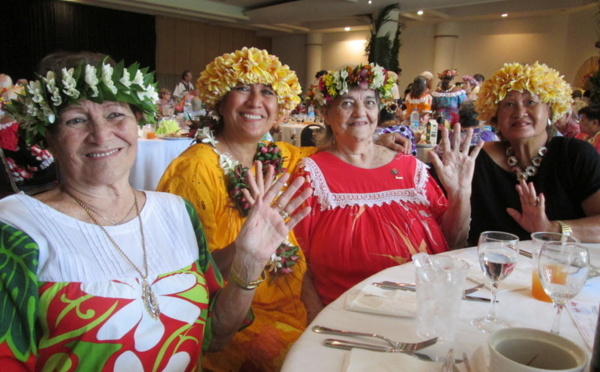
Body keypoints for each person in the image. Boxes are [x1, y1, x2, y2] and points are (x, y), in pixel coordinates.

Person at [0, 51, 312, 370]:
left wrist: (249, 259)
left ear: (138, 121)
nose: (101, 134)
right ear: (48, 137)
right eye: (76, 120)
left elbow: (215, 337)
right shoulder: (16, 230)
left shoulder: (175, 213)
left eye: (115, 114)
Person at [157, 48, 411, 372]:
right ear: (220, 100)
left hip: (294, 307)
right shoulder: (196, 169)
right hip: (235, 322)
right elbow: (187, 278)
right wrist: (245, 251)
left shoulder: (279, 155)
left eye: (266, 92)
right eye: (242, 88)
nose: (255, 102)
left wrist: (377, 140)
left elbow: (329, 151)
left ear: (279, 107)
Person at [292, 63, 482, 305]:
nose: (361, 112)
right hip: (346, 314)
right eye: (347, 103)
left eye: (369, 102)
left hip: (424, 304)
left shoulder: (410, 167)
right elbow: (297, 262)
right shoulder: (311, 174)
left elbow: (453, 241)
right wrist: (314, 318)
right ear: (327, 114)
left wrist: (460, 195)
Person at [470, 62, 600, 245]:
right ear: (495, 116)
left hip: (561, 268)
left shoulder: (575, 154)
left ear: (550, 110)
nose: (520, 112)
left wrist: (550, 229)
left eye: (530, 102)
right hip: (493, 268)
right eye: (508, 104)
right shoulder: (475, 160)